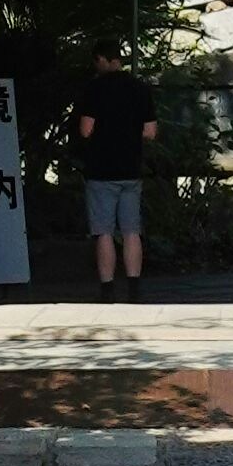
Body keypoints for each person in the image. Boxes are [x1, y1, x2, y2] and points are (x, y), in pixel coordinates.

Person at [73, 44, 159, 288]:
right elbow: (150, 131)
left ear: (101, 59)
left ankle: (107, 286)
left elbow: (86, 129)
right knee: (132, 229)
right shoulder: (139, 88)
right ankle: (134, 285)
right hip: (131, 168)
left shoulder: (94, 88)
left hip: (101, 169)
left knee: (104, 231)